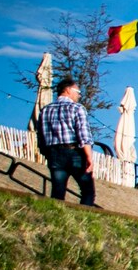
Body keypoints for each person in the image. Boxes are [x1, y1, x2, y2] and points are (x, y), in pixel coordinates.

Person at [35, 76, 98, 207]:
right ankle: (84, 216)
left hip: (54, 153)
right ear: (68, 90)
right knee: (87, 190)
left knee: (58, 190)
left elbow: (41, 136)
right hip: (74, 152)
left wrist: (47, 152)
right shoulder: (77, 108)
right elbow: (84, 135)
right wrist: (89, 157)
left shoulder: (45, 110)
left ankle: (56, 216)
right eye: (78, 92)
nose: (79, 95)